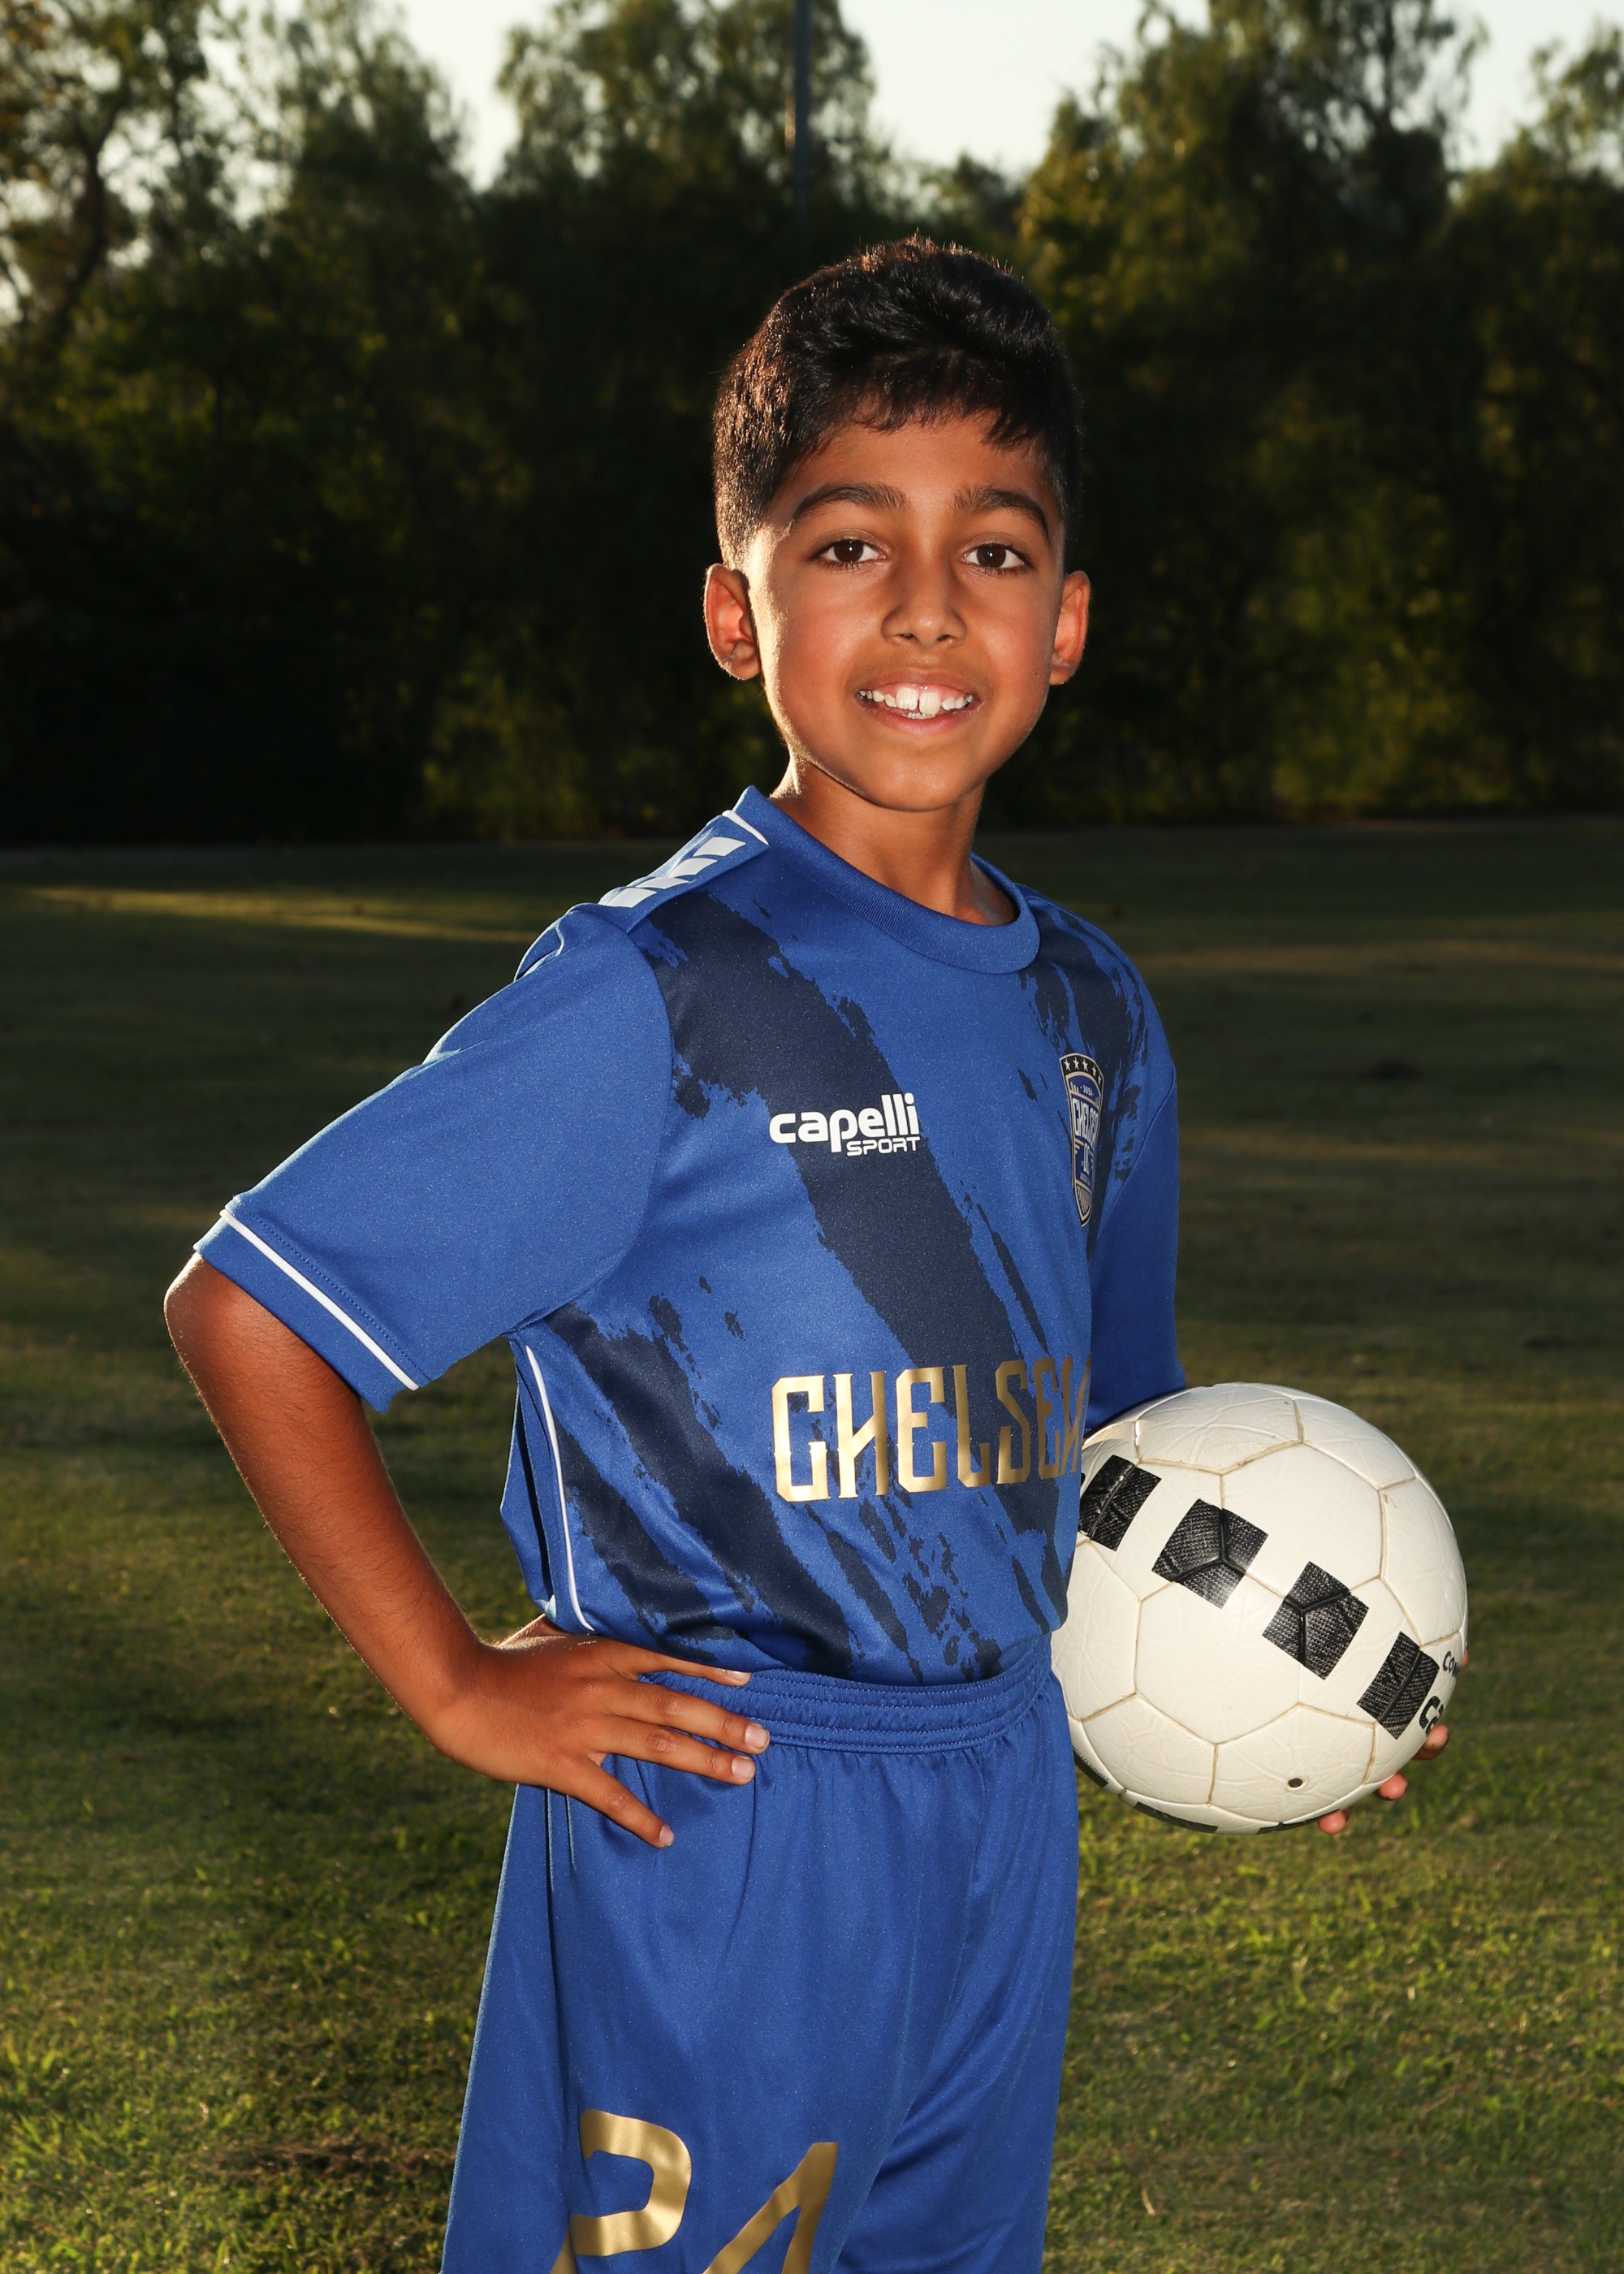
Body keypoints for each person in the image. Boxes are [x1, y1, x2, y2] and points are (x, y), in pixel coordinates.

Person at [164, 239, 1445, 2272]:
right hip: (726, 1805)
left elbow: (1117, 1444)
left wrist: (1297, 1658)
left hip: (996, 1809)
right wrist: (458, 1680)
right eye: (850, 543)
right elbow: (251, 1307)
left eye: (993, 549)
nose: (928, 606)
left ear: (1067, 618)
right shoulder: (655, 993)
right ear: (733, 608)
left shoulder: (1093, 1014)